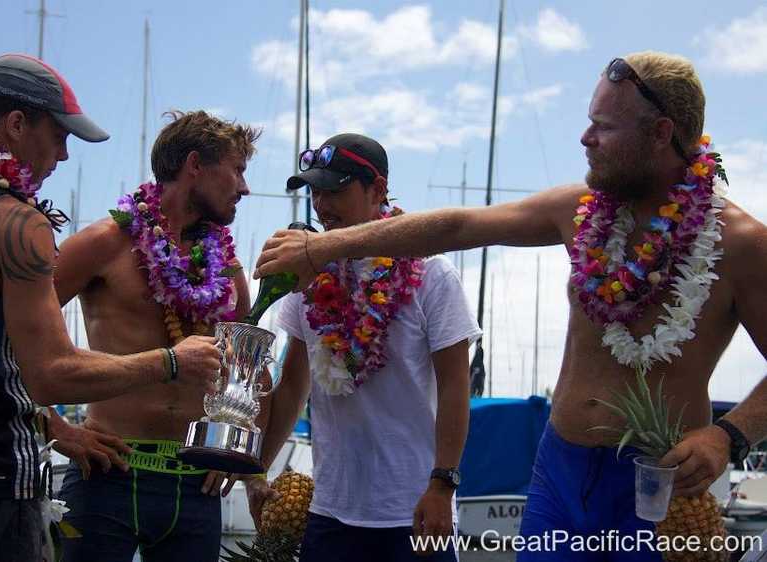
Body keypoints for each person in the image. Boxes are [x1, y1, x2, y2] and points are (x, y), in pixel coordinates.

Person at [255, 53, 767, 560]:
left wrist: (730, 435)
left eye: (602, 127)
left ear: (660, 133)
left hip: (662, 489)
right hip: (559, 477)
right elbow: (457, 227)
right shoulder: (579, 213)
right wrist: (324, 247)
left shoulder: (739, 243)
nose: (585, 139)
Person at [0, 54, 220, 562]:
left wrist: (56, 428)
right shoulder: (16, 223)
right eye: (59, 137)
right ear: (15, 124)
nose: (65, 156)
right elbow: (51, 374)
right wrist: (171, 361)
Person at [246, 133, 481, 562]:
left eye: (335, 190)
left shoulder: (432, 274)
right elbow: (294, 385)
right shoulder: (305, 280)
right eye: (315, 192)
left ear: (377, 190)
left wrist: (442, 484)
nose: (322, 204)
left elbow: (454, 387)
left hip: (416, 509)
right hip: (330, 513)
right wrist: (257, 467)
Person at [53, 110, 264, 562]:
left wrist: (231, 440)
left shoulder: (225, 266)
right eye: (238, 170)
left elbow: (243, 365)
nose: (244, 188)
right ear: (195, 165)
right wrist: (54, 429)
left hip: (195, 485)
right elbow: (9, 331)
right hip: (107, 474)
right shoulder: (104, 244)